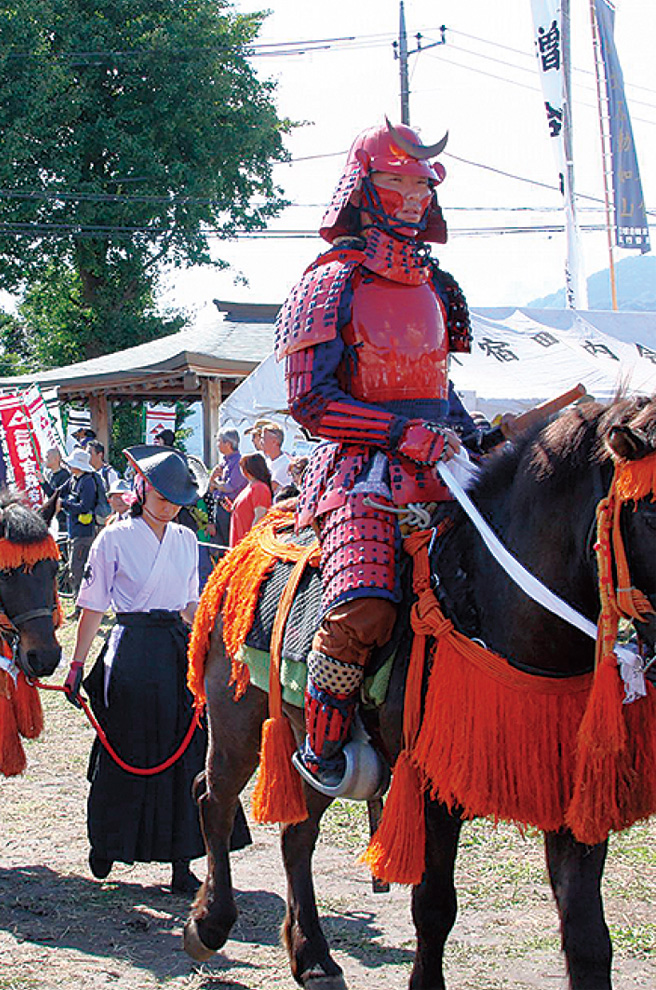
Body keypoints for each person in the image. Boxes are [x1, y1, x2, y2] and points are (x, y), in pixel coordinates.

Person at [277, 120, 490, 790]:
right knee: (362, 609)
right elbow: (311, 403)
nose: (410, 194)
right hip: (361, 475)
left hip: (442, 468)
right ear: (362, 186)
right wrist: (398, 434)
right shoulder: (329, 282)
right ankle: (323, 746)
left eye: (420, 183)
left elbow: (435, 387)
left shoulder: (438, 285)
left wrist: (473, 429)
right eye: (395, 180)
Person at [63, 445, 248, 893]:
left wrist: (216, 640)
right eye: (162, 497)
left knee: (186, 754)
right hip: (129, 653)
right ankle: (108, 841)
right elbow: (91, 606)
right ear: (142, 490)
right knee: (123, 746)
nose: (169, 507)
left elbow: (190, 605)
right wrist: (77, 664)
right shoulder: (113, 538)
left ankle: (182, 859)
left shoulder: (187, 540)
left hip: (176, 652)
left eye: (176, 500)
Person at [58, 446, 103, 605]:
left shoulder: (88, 482)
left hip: (84, 532)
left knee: (77, 568)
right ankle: (80, 603)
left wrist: (63, 504)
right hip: (74, 531)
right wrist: (43, 483)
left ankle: (83, 604)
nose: (69, 466)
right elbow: (57, 493)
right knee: (75, 568)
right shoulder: (73, 479)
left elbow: (85, 506)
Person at [227, 453, 273, 546]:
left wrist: (248, 541)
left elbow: (260, 516)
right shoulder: (249, 487)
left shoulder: (260, 488)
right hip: (238, 543)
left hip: (247, 545)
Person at [206, 429, 244, 541]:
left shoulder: (238, 463)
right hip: (218, 508)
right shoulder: (224, 462)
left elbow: (230, 487)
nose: (217, 445)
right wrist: (212, 478)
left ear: (228, 444)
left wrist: (216, 483)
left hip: (229, 510)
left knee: (227, 541)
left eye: (219, 441)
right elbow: (211, 488)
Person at [251, 421, 292, 493]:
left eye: (263, 439)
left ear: (274, 441)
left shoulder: (284, 465)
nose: (261, 442)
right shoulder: (267, 460)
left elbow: (266, 489)